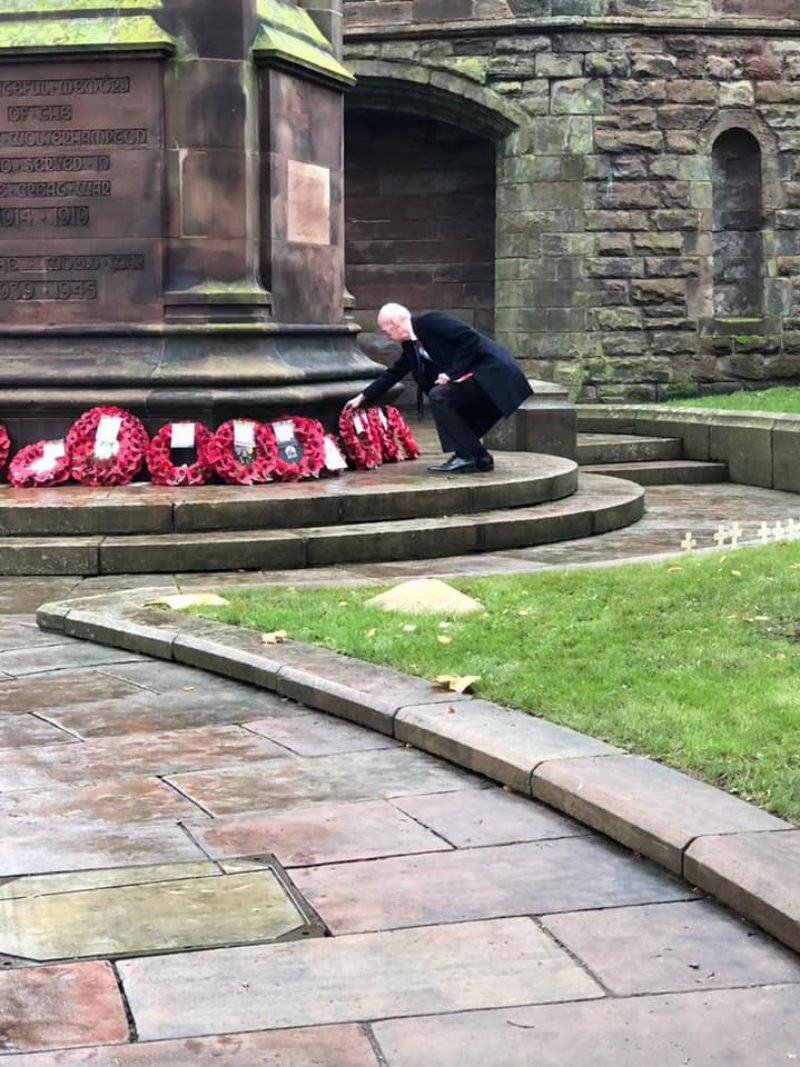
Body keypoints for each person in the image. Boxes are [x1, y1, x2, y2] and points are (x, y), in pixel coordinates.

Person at [345, 303, 533, 473]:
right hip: (480, 376)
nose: (386, 336)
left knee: (440, 396)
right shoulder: (411, 346)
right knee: (444, 398)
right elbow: (394, 373)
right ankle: (475, 455)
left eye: (385, 331)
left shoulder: (429, 321)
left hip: (494, 373)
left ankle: (469, 455)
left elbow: (469, 337)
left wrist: (452, 373)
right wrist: (363, 397)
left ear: (395, 323)